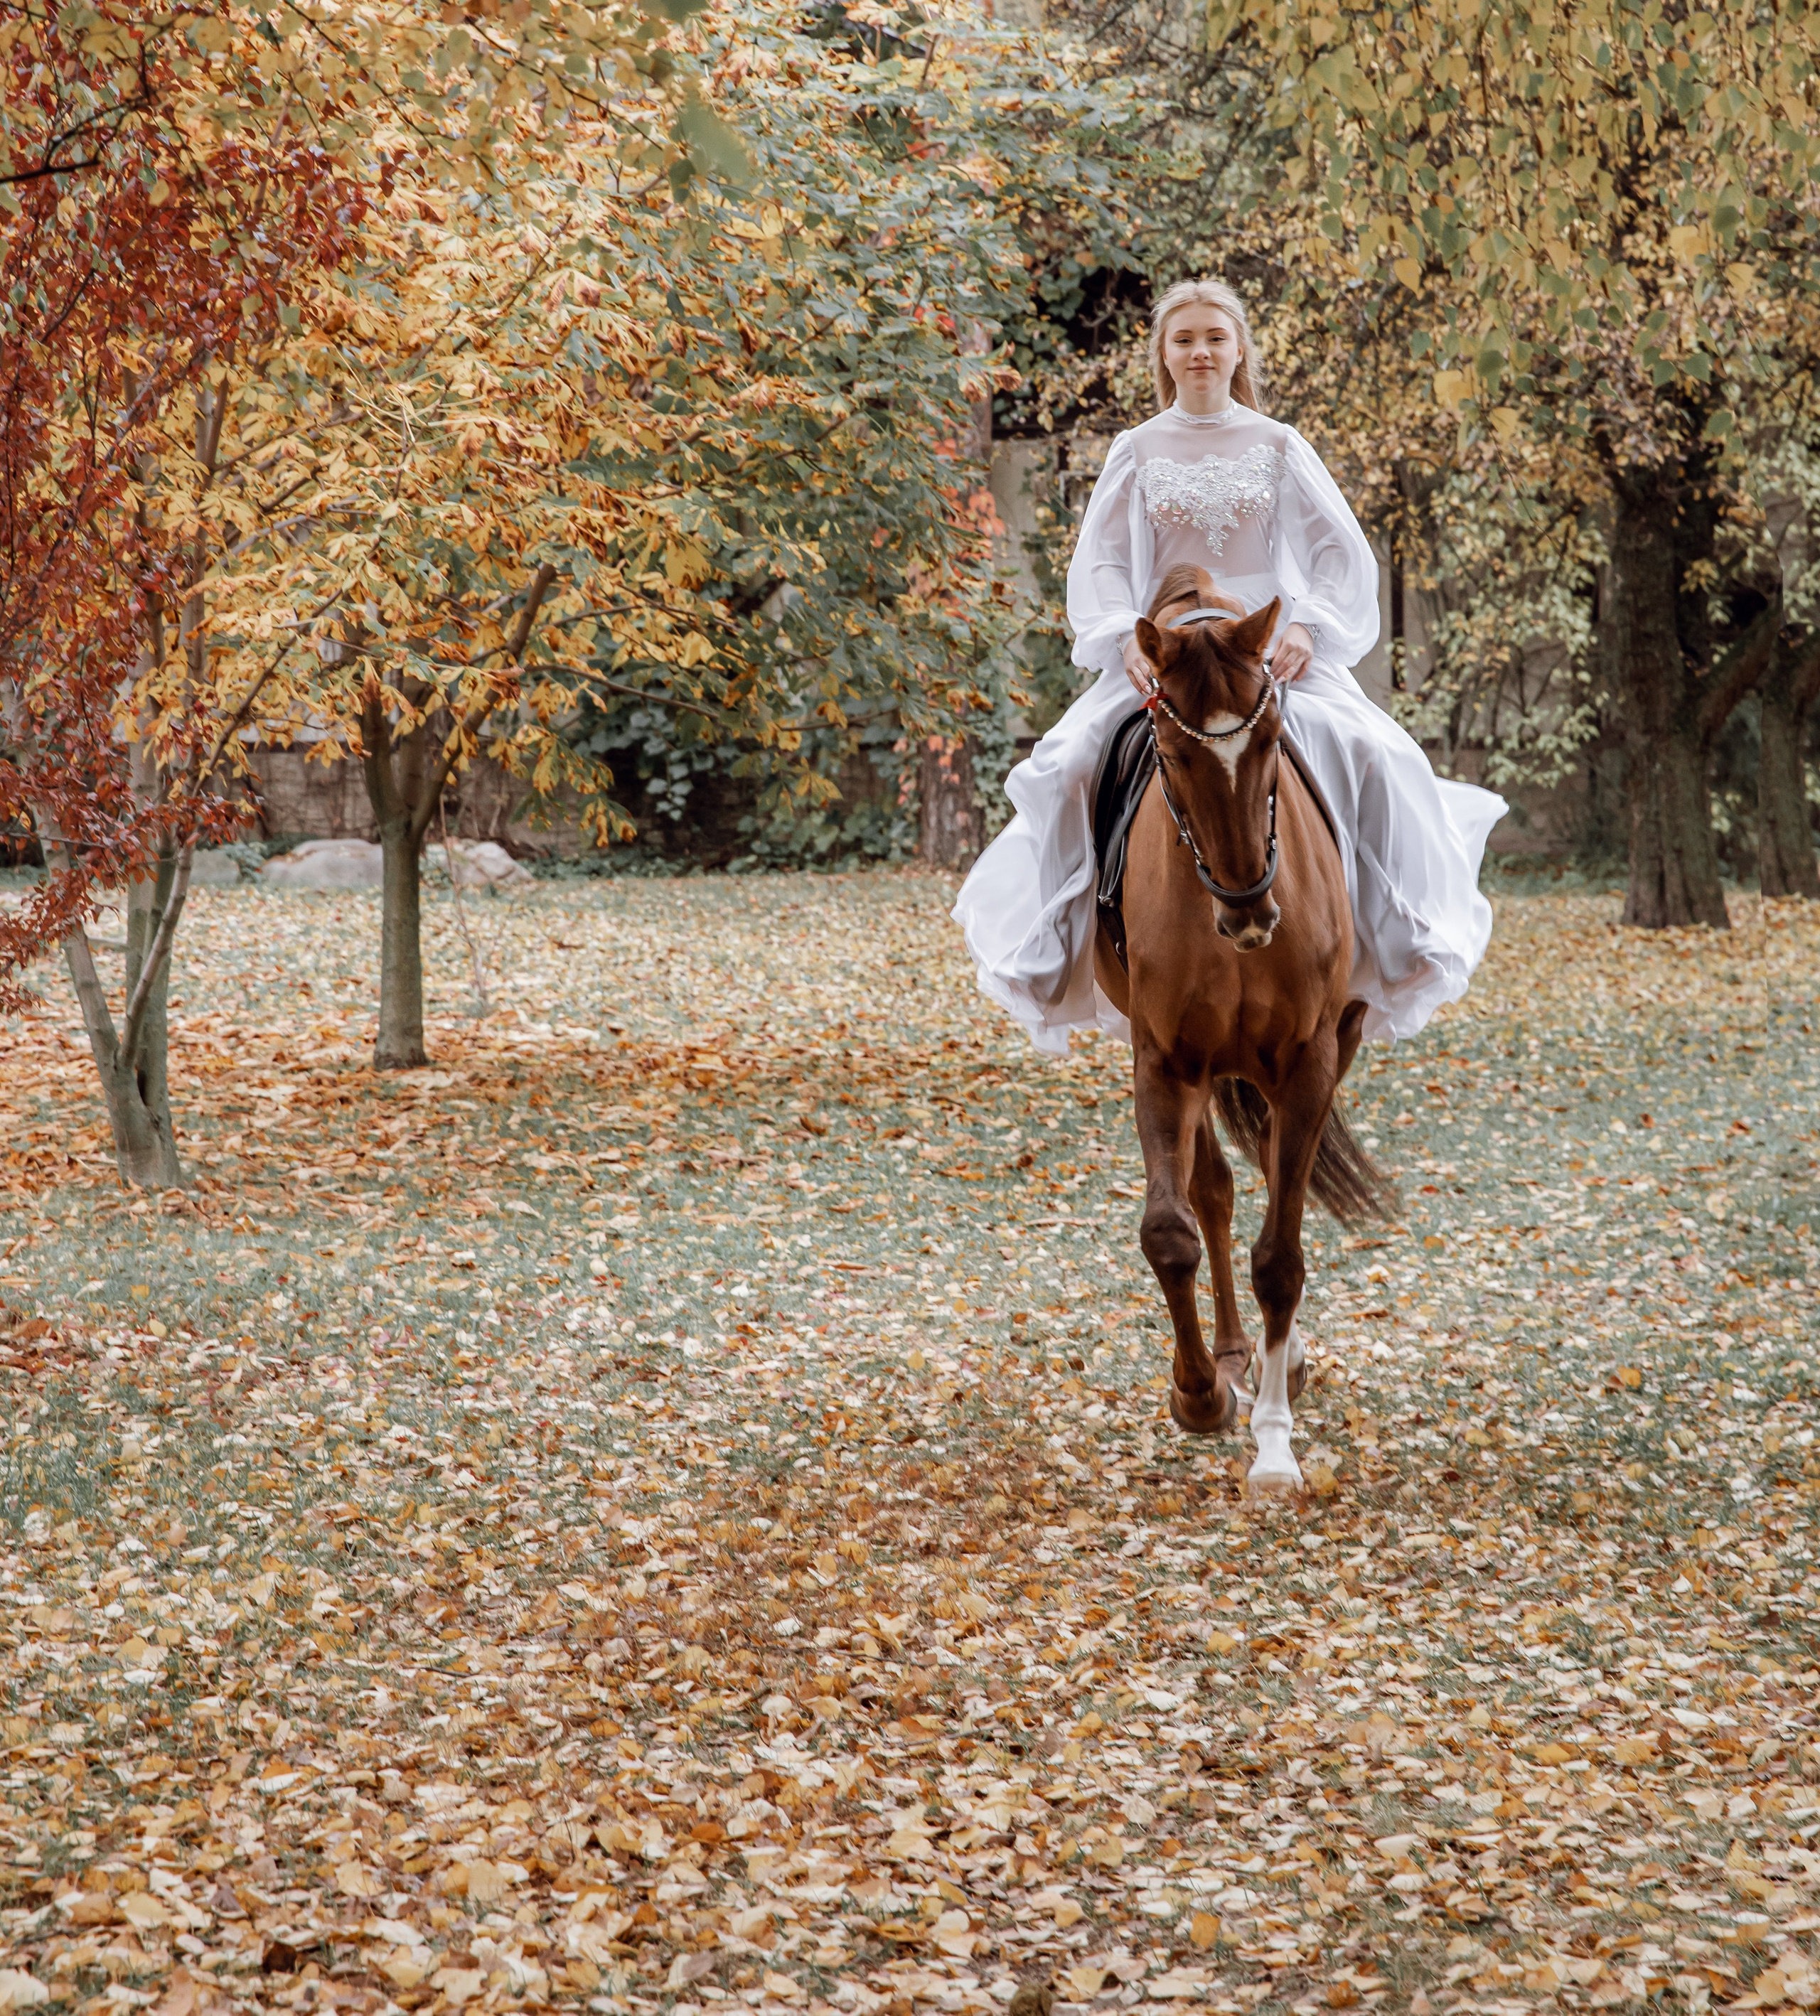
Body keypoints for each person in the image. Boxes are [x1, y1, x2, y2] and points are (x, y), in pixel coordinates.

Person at [953, 277, 1507, 1056]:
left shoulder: (1279, 444)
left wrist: (1308, 625)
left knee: (1377, 752)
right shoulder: (1134, 449)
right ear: (1164, 355)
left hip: (1259, 650)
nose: (1201, 350)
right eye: (1183, 339)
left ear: (1239, 347)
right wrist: (1123, 636)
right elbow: (1105, 562)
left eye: (1215, 336)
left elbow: (1332, 550)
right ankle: (1067, 950)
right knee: (1067, 764)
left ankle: (1390, 938)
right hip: (1170, 655)